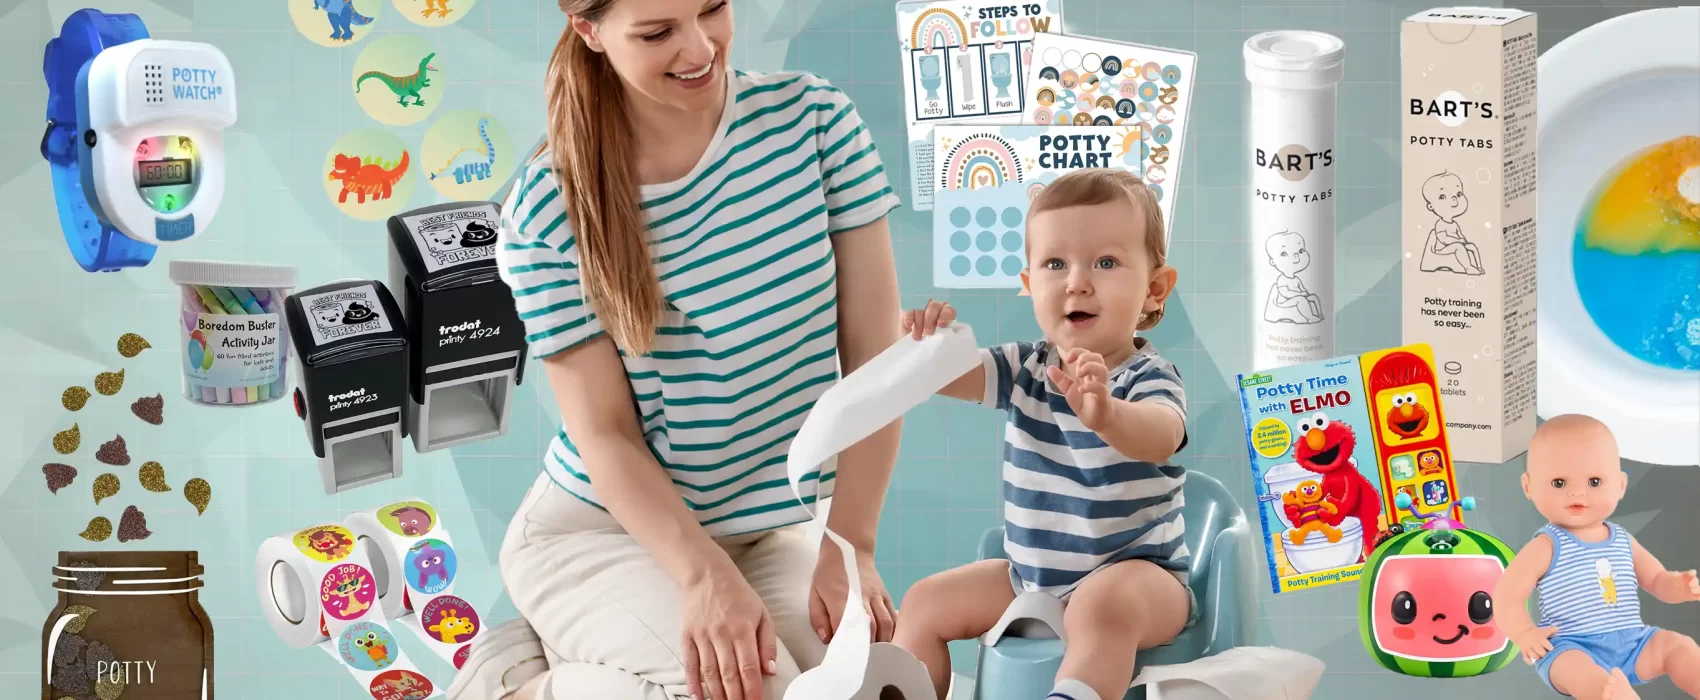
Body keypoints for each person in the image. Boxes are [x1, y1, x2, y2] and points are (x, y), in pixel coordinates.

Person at [449, 1, 905, 698]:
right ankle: (513, 682)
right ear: (589, 31)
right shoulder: (548, 208)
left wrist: (855, 546)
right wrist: (701, 579)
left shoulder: (815, 123)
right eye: (657, 32)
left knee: (853, 679)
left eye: (713, 8)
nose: (699, 49)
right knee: (737, 693)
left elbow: (878, 360)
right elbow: (604, 434)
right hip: (601, 535)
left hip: (762, 525)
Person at [891, 170, 1195, 700]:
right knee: (922, 602)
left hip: (1139, 575)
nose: (1077, 281)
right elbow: (946, 376)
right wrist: (927, 347)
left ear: (1153, 288)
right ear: (1030, 284)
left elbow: (1162, 436)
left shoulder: (1148, 378)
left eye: (1105, 262)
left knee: (1101, 610)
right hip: (1030, 577)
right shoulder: (1026, 365)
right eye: (1056, 264)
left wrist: (1107, 415)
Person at [1493, 414, 1700, 700]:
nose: (1577, 491)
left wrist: (1677, 587)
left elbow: (1655, 579)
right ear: (1528, 486)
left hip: (1633, 643)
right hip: (1570, 646)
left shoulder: (1623, 540)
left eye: (1594, 481)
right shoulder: (1547, 545)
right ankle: (1612, 695)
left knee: (1679, 646)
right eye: (1558, 483)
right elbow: (1506, 596)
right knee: (1584, 675)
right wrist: (1525, 633)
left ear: (1621, 485)